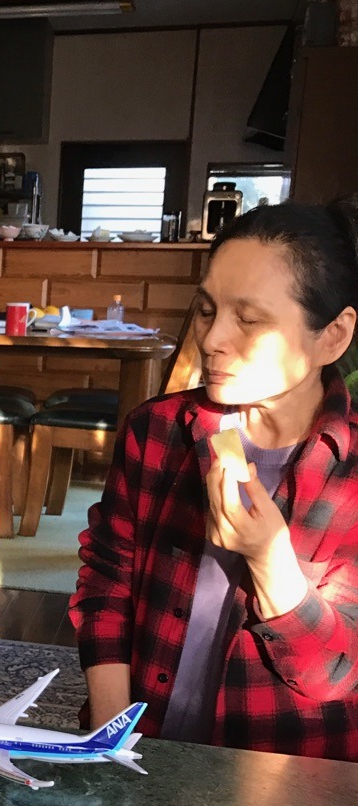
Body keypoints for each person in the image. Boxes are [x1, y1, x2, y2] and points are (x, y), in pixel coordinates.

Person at [69, 199, 358, 761]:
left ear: (333, 335)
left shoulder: (348, 472)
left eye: (249, 320)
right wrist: (109, 735)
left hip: (287, 775)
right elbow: (107, 580)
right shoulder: (158, 431)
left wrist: (269, 561)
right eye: (206, 310)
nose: (212, 338)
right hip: (142, 747)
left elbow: (337, 674)